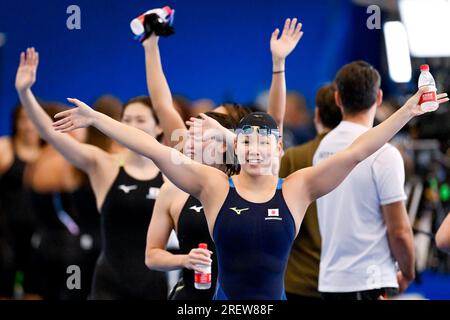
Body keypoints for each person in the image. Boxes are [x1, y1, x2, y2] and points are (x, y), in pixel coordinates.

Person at [52, 54, 448, 302]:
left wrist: (409, 111)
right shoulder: (212, 188)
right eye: (248, 142)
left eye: (265, 142)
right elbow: (153, 147)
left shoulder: (297, 188)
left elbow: (360, 149)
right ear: (236, 150)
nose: (256, 148)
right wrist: (96, 119)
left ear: (278, 150)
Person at [142, 18, 302, 300]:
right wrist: (150, 46)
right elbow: (162, 104)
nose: (202, 130)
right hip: (192, 296)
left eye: (214, 126)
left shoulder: (250, 172)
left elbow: (274, 121)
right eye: (203, 126)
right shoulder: (186, 162)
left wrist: (279, 65)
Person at [15, 48, 167, 300]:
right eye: (125, 121)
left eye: (140, 120)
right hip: (110, 283)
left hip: (153, 285)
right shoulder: (103, 165)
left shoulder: (170, 171)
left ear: (159, 126)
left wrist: (151, 45)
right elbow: (51, 133)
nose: (131, 127)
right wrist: (24, 93)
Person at [313, 61, 416, 300]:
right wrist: (409, 272)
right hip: (371, 282)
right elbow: (399, 231)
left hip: (330, 282)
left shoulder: (322, 149)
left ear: (338, 98)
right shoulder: (385, 154)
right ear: (379, 98)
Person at [279, 83, 342, 301]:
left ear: (316, 115)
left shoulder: (294, 158)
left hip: (301, 280)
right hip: (351, 280)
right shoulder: (369, 157)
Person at [0, 104, 42, 299]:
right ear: (16, 123)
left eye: (32, 119)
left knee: (34, 289)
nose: (28, 125)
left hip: (38, 234)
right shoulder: (4, 149)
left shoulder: (50, 152)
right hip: (6, 233)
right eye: (22, 119)